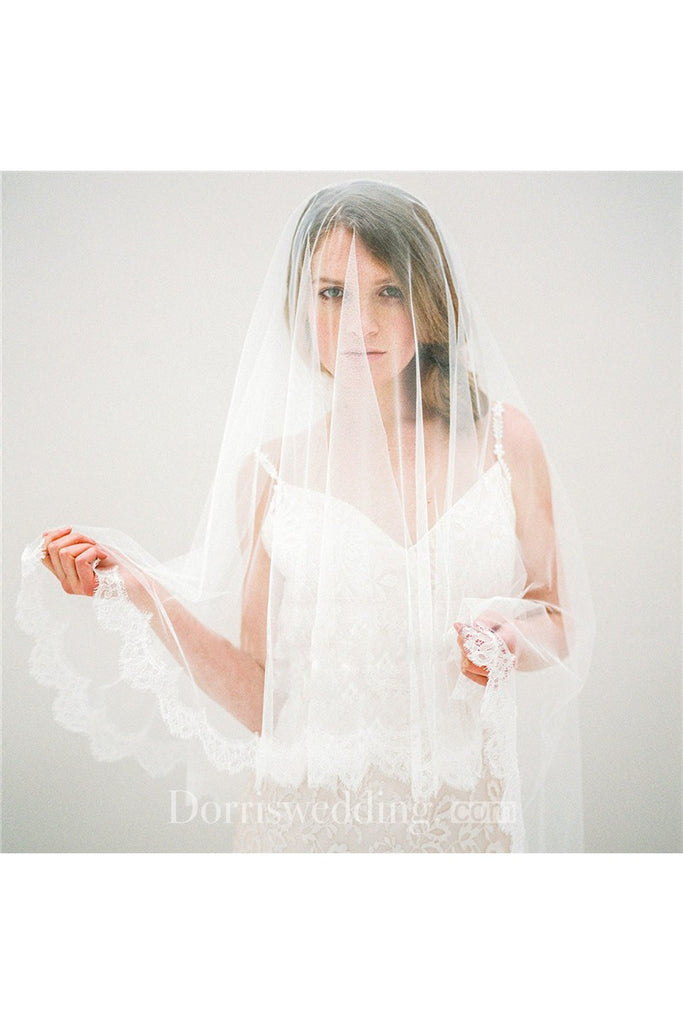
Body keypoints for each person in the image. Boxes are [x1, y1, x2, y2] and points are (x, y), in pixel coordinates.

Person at [19, 180, 593, 852]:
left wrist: (511, 639)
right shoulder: (273, 476)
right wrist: (143, 592)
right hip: (305, 830)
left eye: (388, 290)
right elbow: (264, 701)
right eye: (332, 292)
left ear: (429, 299)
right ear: (300, 302)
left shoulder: (503, 441)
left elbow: (555, 617)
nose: (358, 323)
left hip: (464, 825)